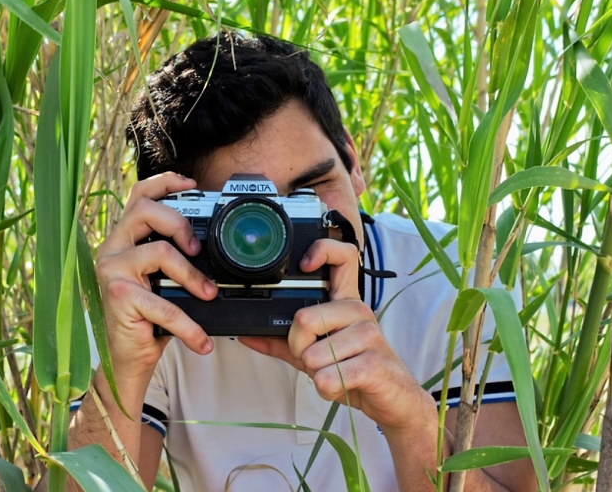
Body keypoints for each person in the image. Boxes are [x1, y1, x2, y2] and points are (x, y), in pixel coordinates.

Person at [67, 32, 536, 492]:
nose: (277, 235)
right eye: (242, 220)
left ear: (352, 162)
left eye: (310, 192)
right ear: (177, 216)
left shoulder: (455, 278)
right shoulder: (149, 294)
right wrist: (119, 373)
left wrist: (409, 417)